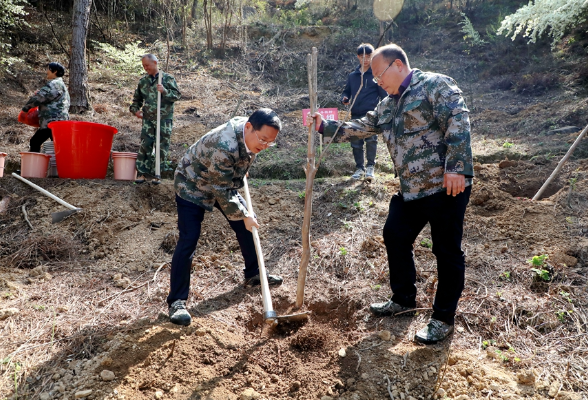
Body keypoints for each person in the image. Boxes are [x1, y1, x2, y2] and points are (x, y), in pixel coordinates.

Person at [310, 44, 473, 344]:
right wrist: (325, 126)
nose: (376, 81)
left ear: (397, 65)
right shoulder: (388, 104)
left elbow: (458, 120)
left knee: (446, 252)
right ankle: (403, 299)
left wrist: (458, 167)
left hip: (444, 187)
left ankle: (442, 319)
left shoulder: (434, 85)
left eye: (378, 74)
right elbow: (361, 126)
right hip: (411, 190)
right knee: (394, 234)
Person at [167, 108, 284, 326]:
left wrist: (239, 169)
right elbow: (221, 190)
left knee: (246, 225)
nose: (264, 146)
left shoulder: (247, 131)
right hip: (191, 183)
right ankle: (177, 302)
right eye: (263, 140)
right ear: (249, 128)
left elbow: (230, 172)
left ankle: (253, 274)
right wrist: (244, 214)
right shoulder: (224, 145)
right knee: (189, 238)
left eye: (270, 142)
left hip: (220, 180)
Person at [129, 54, 181, 184]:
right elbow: (137, 100)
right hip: (148, 119)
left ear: (155, 63)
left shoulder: (167, 79)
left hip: (163, 119)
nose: (145, 68)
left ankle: (157, 173)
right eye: (143, 66)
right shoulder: (143, 81)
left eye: (147, 65)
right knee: (145, 144)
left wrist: (164, 91)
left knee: (161, 145)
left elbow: (176, 96)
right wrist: (136, 111)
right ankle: (142, 174)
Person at [341, 43, 388, 182]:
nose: (366, 60)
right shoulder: (353, 76)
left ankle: (370, 167)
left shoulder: (375, 74)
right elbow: (346, 91)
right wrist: (344, 98)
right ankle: (359, 168)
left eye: (368, 56)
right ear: (358, 57)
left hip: (372, 114)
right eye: (362, 57)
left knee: (371, 140)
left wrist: (384, 110)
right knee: (356, 141)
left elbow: (383, 95)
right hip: (355, 113)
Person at [22, 62, 70, 153]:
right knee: (57, 145)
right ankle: (57, 165)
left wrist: (26, 108)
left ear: (54, 71)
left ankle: (35, 165)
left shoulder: (54, 84)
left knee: (35, 142)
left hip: (52, 121)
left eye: (48, 69)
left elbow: (40, 97)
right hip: (59, 121)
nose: (47, 71)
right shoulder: (61, 85)